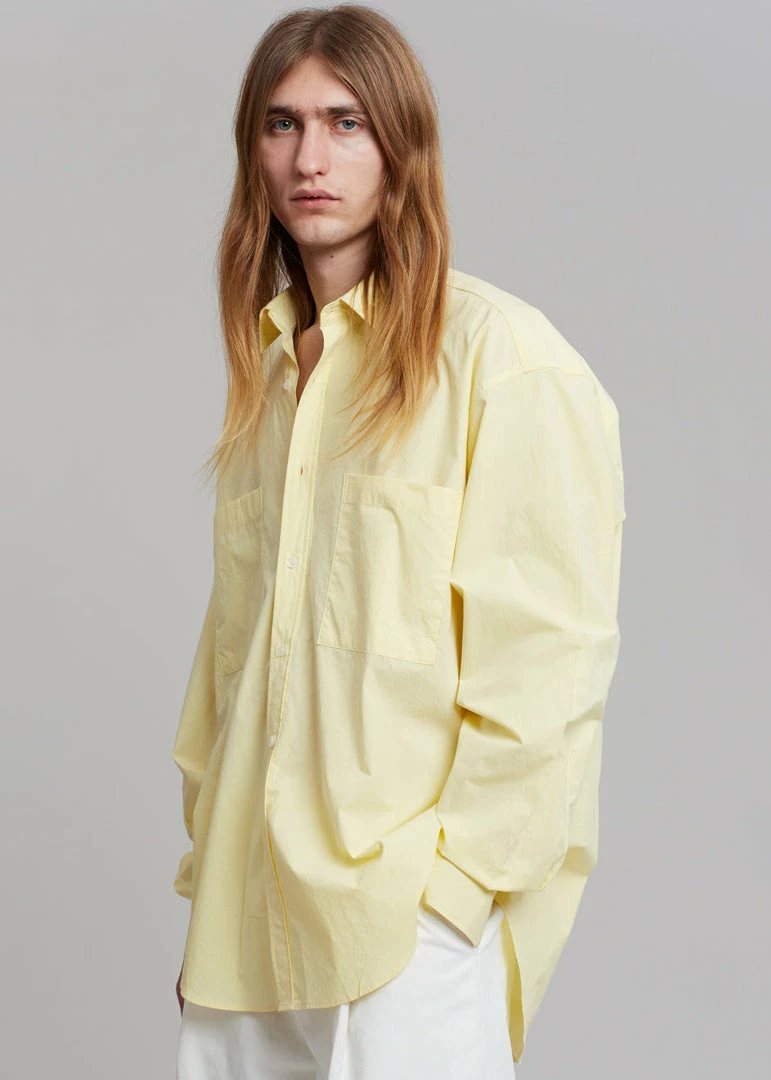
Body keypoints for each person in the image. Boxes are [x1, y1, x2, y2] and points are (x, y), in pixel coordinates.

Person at [171, 5, 626, 1078]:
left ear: (402, 147)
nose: (310, 159)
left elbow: (547, 665)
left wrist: (455, 894)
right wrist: (210, 888)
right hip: (246, 930)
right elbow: (231, 670)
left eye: (347, 123)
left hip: (405, 932)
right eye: (281, 124)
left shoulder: (502, 361)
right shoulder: (271, 379)